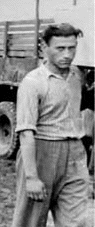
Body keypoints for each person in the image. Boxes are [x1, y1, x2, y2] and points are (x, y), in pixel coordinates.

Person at [11, 23, 89, 227]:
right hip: (42, 151)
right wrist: (31, 177)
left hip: (75, 152)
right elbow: (26, 132)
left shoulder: (77, 76)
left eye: (72, 48)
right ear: (44, 48)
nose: (67, 54)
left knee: (76, 221)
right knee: (32, 220)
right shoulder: (33, 82)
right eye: (60, 48)